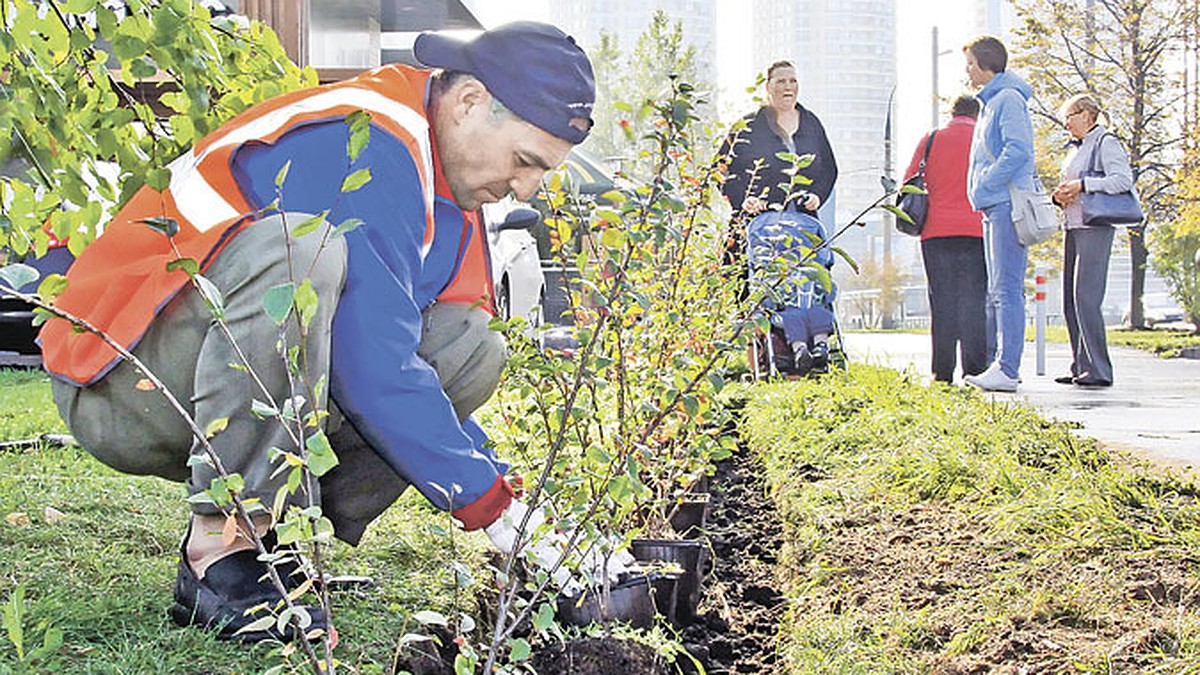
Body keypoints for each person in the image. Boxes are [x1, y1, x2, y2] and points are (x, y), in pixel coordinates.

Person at [39, 22, 626, 641]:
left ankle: (280, 537)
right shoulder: (363, 138)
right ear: (471, 101)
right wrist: (492, 509)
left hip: (199, 377)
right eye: (525, 160)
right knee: (301, 255)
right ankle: (221, 550)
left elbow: (410, 365)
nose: (525, 187)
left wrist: (519, 505)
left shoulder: (446, 194)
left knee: (471, 345)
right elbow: (371, 363)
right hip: (122, 377)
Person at [719, 60, 839, 369]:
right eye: (781, 82)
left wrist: (817, 196)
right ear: (768, 87)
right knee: (753, 289)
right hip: (756, 225)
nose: (788, 88)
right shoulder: (748, 126)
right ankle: (758, 361)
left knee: (808, 285)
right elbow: (721, 170)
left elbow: (829, 169)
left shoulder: (812, 123)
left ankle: (810, 350)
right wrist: (743, 200)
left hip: (801, 221)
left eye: (793, 82)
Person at [961, 36, 1036, 393]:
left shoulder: (1006, 99)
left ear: (986, 64)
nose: (968, 71)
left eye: (971, 64)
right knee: (999, 289)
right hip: (993, 205)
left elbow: (1018, 150)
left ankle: (1007, 368)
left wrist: (988, 181)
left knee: (1007, 289)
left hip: (1005, 204)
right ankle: (1002, 365)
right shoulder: (992, 101)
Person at [903, 94, 987, 383]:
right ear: (978, 113)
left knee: (942, 302)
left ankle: (943, 371)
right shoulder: (984, 139)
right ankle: (976, 369)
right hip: (978, 230)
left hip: (936, 232)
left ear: (951, 113)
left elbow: (909, 182)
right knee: (975, 301)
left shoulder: (931, 139)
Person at [1050, 94, 1132, 388]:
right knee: (1071, 302)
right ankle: (1081, 365)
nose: (1066, 123)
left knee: (1086, 298)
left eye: (1070, 116)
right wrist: (1059, 196)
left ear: (1087, 114)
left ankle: (1099, 369)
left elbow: (1122, 180)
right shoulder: (1076, 148)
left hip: (1094, 227)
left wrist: (1084, 184)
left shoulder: (1105, 142)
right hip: (1072, 226)